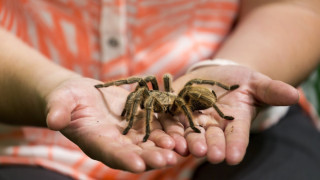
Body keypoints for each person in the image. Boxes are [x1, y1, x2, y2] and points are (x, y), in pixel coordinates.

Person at [0, 0, 319, 179]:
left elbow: (296, 7)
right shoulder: (162, 94)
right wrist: (50, 84)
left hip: (251, 129)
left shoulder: (178, 94)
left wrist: (223, 68)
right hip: (32, 147)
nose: (147, 101)